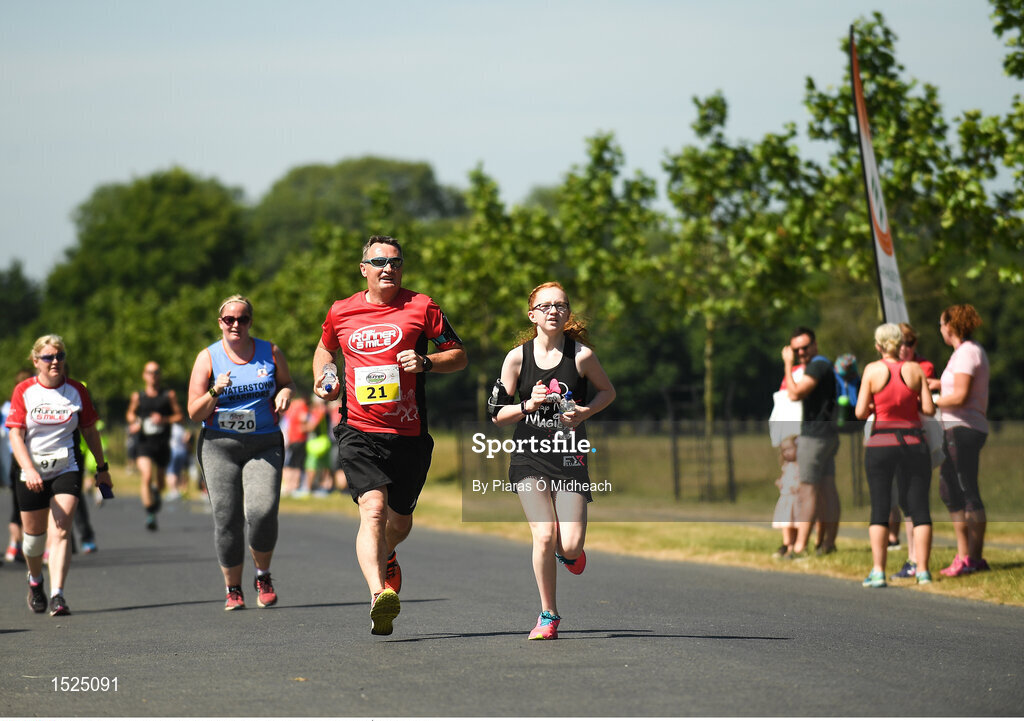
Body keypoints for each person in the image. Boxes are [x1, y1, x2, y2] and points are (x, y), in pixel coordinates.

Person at [313, 235, 467, 636]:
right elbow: (324, 349)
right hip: (359, 429)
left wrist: (427, 361)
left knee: (399, 523)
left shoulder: (422, 306)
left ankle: (390, 555)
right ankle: (379, 594)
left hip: (410, 434)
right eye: (379, 261)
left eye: (396, 262)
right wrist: (325, 375)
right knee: (374, 511)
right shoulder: (341, 311)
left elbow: (458, 354)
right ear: (363, 268)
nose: (388, 269)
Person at [491, 282, 616, 640]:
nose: (553, 311)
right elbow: (496, 413)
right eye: (545, 306)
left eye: (560, 305)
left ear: (567, 313)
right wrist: (528, 405)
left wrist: (584, 412)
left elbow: (608, 391)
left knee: (571, 544)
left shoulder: (582, 357)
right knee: (544, 535)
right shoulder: (517, 358)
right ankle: (548, 614)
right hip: (530, 456)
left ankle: (570, 554)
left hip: (570, 456)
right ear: (532, 315)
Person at [187, 295, 294, 610]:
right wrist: (214, 390)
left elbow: (288, 383)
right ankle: (232, 588)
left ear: (250, 321)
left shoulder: (269, 352)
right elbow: (194, 412)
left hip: (264, 443)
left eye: (243, 318)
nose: (236, 324)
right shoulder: (207, 358)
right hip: (219, 445)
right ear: (220, 322)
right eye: (229, 319)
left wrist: (285, 394)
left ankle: (263, 574)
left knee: (261, 511)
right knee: (227, 517)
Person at [5, 335, 112, 615]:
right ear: (35, 361)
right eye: (49, 357)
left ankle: (58, 594)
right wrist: (28, 469)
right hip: (31, 470)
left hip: (67, 467)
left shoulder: (77, 391)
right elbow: (15, 434)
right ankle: (35, 580)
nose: (55, 362)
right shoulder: (24, 391)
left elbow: (90, 430)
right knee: (33, 539)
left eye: (60, 356)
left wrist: (102, 469)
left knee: (62, 529)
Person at [854, 323, 936, 588]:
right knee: (919, 507)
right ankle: (922, 571)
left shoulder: (872, 370)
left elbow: (859, 412)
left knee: (880, 506)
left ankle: (878, 571)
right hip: (914, 442)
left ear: (878, 346)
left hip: (881, 443)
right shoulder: (915, 370)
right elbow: (929, 409)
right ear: (901, 343)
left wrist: (874, 405)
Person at [934, 304, 990, 577]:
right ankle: (965, 554)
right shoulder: (963, 353)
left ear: (950, 326)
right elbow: (953, 388)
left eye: (941, 325)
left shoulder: (966, 353)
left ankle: (973, 557)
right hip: (959, 426)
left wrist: (930, 402)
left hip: (963, 427)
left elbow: (960, 397)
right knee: (950, 490)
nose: (940, 330)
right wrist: (935, 385)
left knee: (966, 491)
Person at [781, 326, 840, 558]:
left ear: (815, 345)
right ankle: (828, 544)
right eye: (796, 350)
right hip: (827, 435)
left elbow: (794, 393)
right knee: (826, 488)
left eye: (805, 347)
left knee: (808, 490)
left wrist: (787, 363)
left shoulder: (817, 365)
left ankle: (799, 546)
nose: (801, 352)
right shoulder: (823, 365)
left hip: (815, 436)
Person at [887, 322, 939, 578]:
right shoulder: (895, 368)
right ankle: (912, 558)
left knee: (916, 499)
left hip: (917, 436)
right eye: (900, 343)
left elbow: (915, 401)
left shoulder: (921, 366)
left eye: (909, 343)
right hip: (896, 438)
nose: (905, 348)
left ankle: (919, 561)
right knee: (905, 499)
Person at [126, 361, 183, 531]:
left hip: (162, 443)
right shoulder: (138, 396)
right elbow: (130, 413)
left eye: (156, 372)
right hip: (144, 442)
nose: (153, 375)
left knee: (160, 482)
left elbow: (179, 416)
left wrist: (164, 419)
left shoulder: (168, 395)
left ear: (160, 375)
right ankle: (150, 513)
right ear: (144, 375)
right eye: (150, 372)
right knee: (146, 475)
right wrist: (134, 421)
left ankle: (156, 495)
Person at [771, 436, 800, 559]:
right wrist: (780, 482)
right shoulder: (786, 466)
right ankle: (787, 544)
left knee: (795, 524)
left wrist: (797, 486)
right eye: (784, 450)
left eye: (789, 449)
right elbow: (785, 479)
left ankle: (793, 546)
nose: (786, 452)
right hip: (786, 499)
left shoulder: (799, 466)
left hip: (795, 500)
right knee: (786, 523)